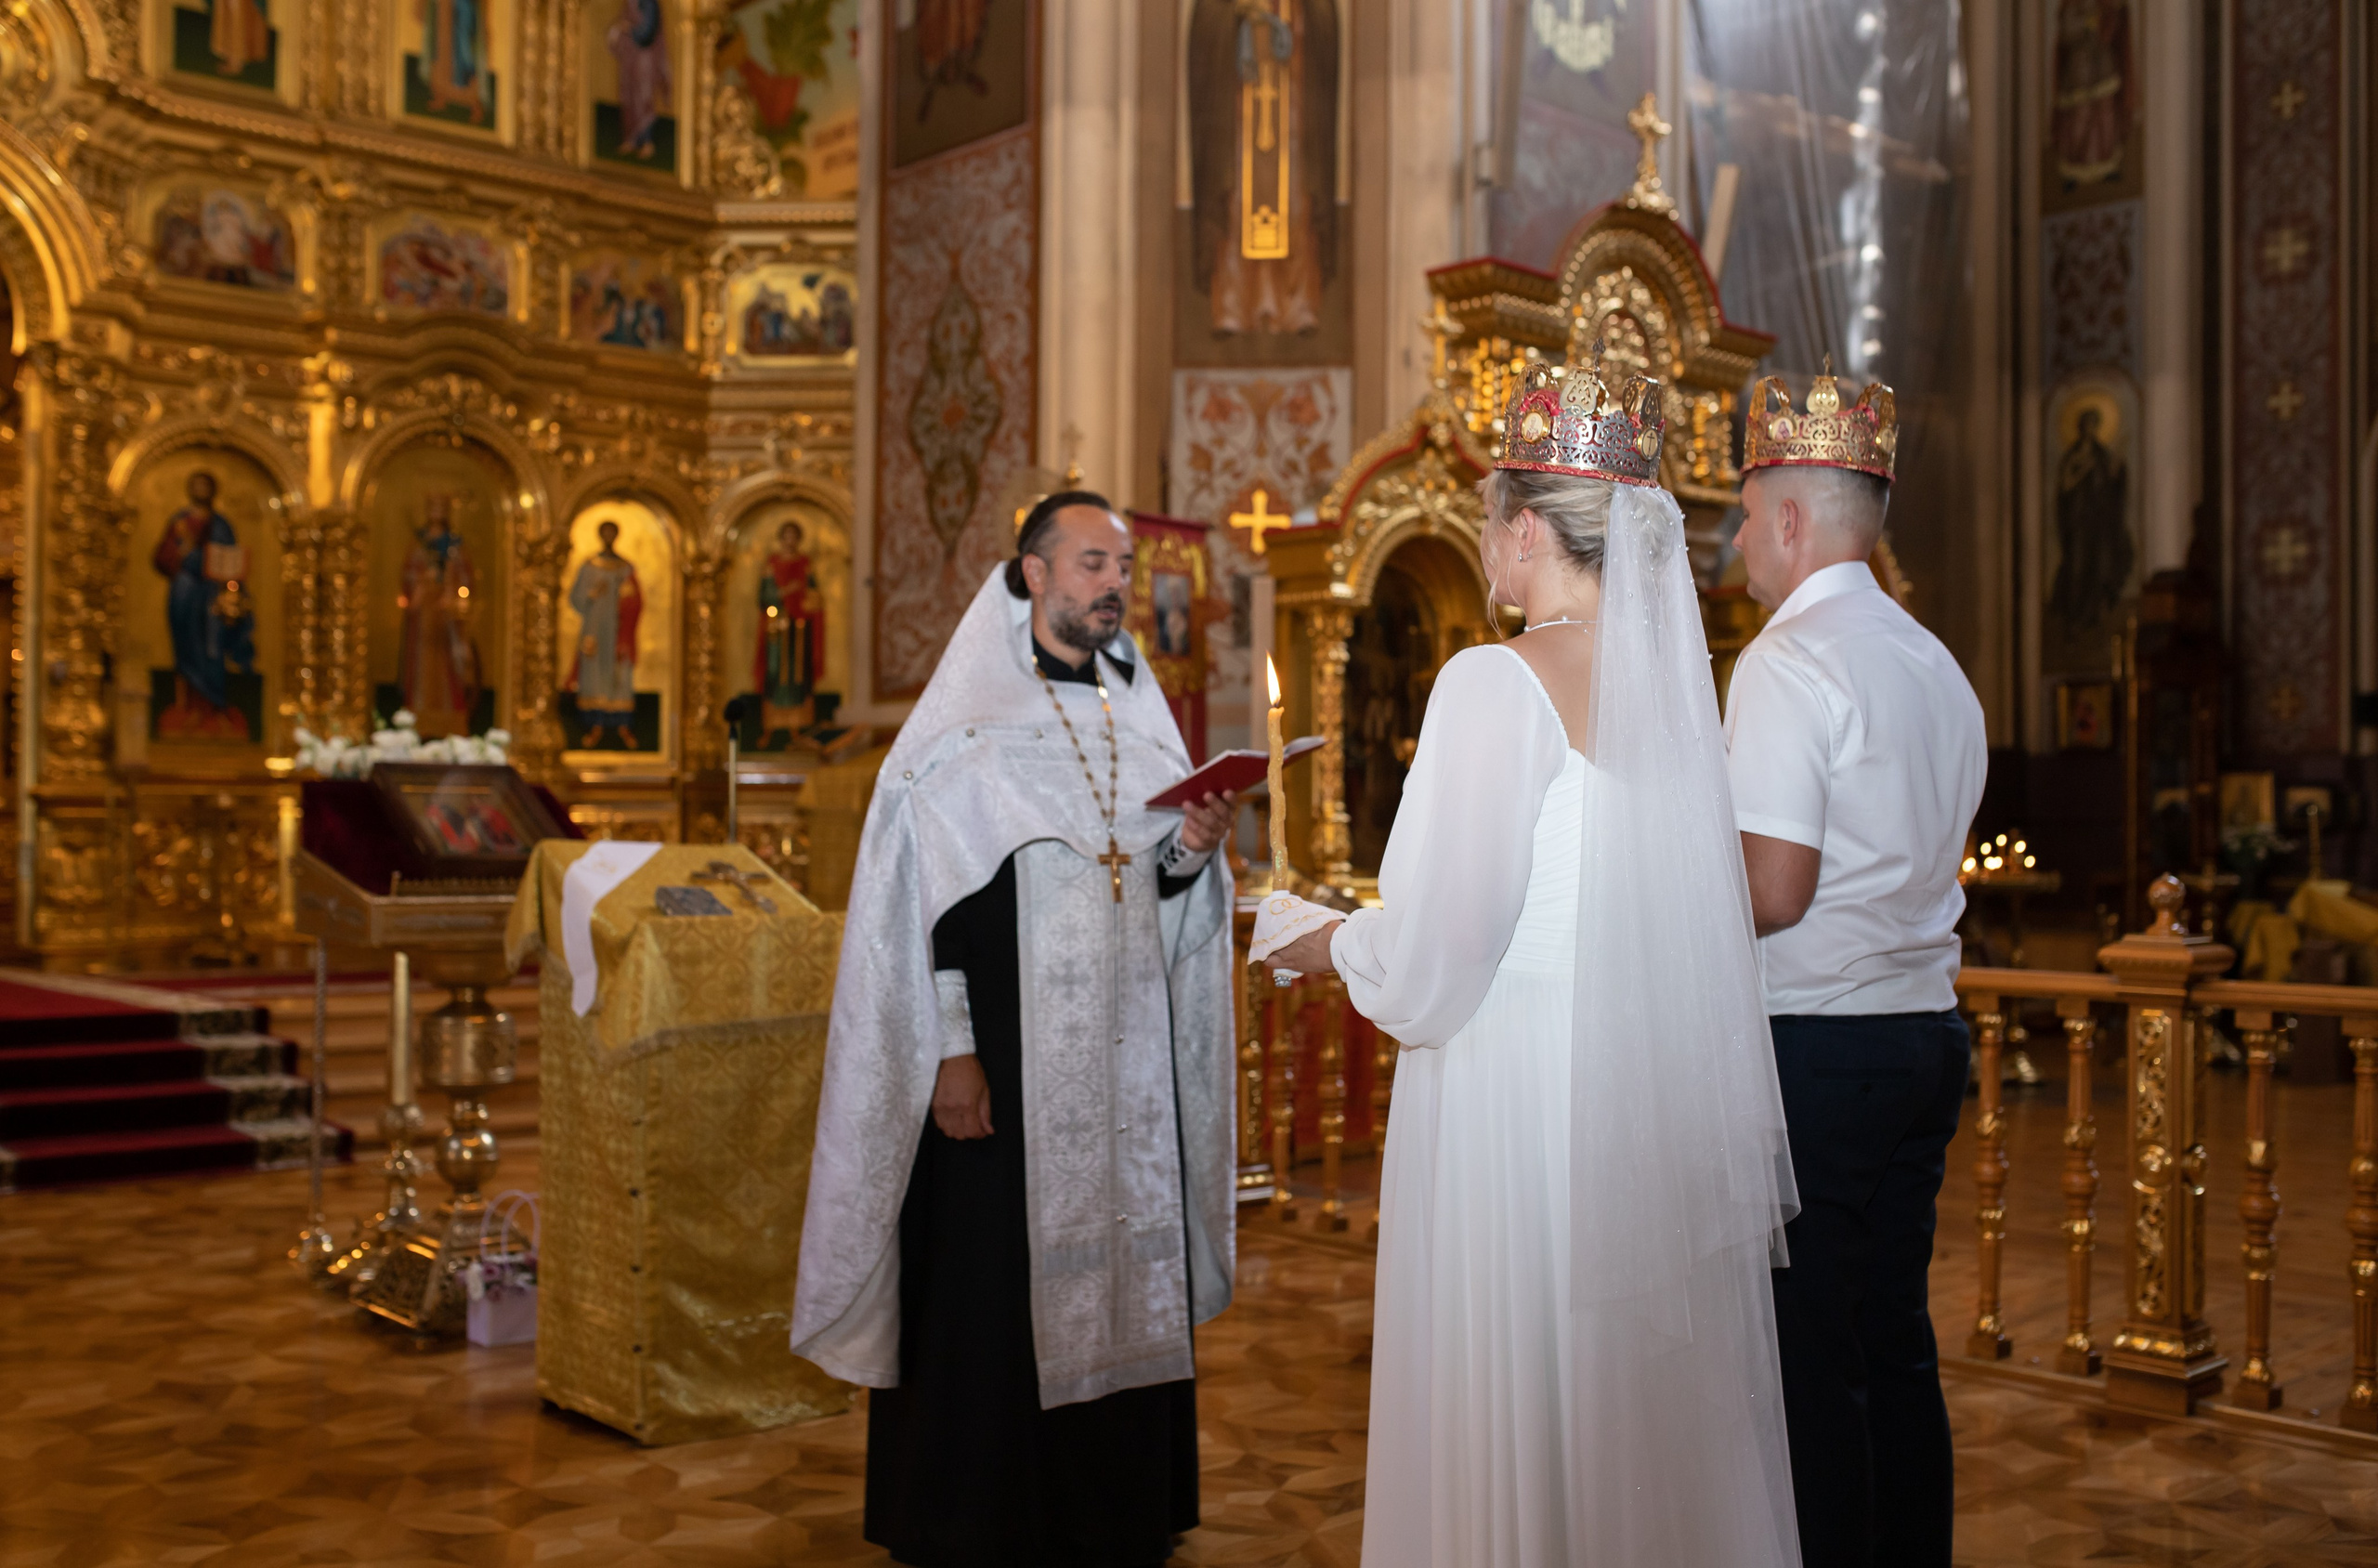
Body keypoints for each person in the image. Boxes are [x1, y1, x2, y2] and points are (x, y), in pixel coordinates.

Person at [1256, 359, 1802, 1567]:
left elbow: (1443, 949)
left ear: (1518, 531)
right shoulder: (1674, 695)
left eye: (1485, 524)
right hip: (1634, 1085)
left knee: (1521, 1367)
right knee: (1626, 1401)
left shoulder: (1493, 682)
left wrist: (1319, 938)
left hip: (1512, 1089)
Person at [792, 491, 1242, 1568]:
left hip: (1122, 1069)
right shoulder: (960, 730)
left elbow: (1162, 892)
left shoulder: (1140, 715)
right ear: (1033, 574)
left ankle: (1116, 1509)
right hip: (999, 1065)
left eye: (1120, 564)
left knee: (1127, 1274)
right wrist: (950, 1048)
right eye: (1091, 562)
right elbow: (923, 911)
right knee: (987, 1292)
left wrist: (1190, 847)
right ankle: (973, 1515)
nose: (1113, 582)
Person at [1727, 370, 1987, 1568]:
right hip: (1923, 1033)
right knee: (1895, 1341)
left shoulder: (1786, 662)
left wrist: (1651, 892)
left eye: (1740, 514)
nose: (1734, 540)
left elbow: (1773, 889)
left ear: (1789, 518)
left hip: (1818, 1047)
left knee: (1808, 1362)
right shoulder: (1935, 662)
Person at [566, 519, 643, 749]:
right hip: (596, 631)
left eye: (612, 532)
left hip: (619, 633)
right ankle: (594, 728)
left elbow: (636, 600)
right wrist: (592, 593)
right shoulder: (589, 566)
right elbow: (576, 599)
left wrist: (626, 600)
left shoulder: (625, 568)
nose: (608, 536)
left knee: (620, 676)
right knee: (594, 676)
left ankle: (623, 727)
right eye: (605, 532)